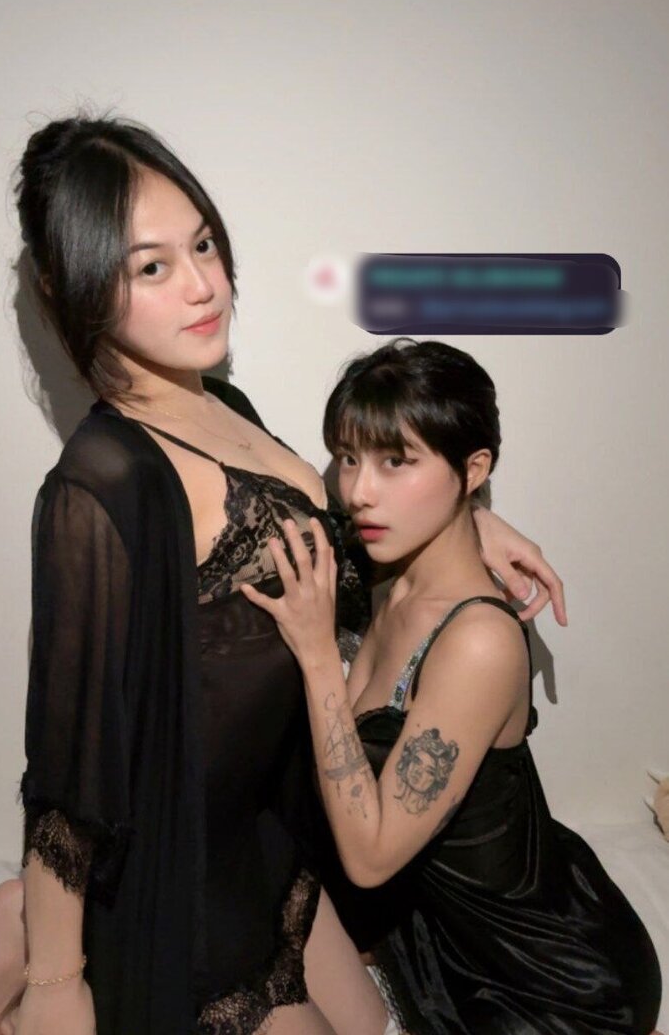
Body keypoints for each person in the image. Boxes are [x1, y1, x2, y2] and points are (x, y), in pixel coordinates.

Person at [0, 117, 566, 1035]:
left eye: (203, 244)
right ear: (82, 287)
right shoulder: (102, 485)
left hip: (266, 837)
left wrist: (462, 522)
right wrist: (58, 986)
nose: (204, 284)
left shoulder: (220, 400)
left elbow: (317, 534)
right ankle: (30, 924)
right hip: (181, 880)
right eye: (152, 267)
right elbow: (68, 768)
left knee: (374, 1029)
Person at [241, 339, 663, 1035]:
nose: (359, 490)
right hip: (442, 935)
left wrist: (319, 660)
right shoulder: (382, 570)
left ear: (474, 469)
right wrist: (475, 515)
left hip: (546, 982)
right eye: (349, 457)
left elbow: (372, 858)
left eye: (395, 461)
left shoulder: (479, 641)